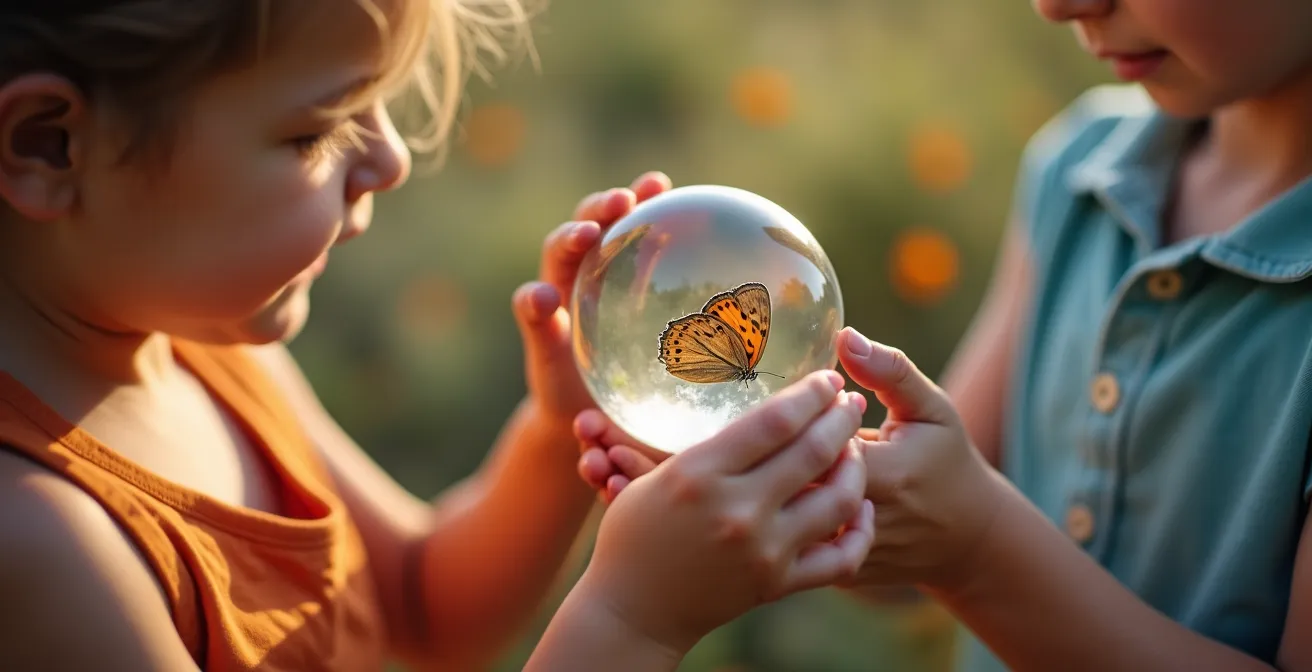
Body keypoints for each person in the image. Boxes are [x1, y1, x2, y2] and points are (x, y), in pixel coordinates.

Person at [0, 2, 876, 671]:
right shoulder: (39, 548)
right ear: (48, 146)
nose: (390, 160)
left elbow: (426, 608)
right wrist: (632, 625)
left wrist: (555, 427)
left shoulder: (210, 351)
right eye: (313, 130)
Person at [578, 0, 1312, 669]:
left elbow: (960, 531)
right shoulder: (1078, 170)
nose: (1057, 6)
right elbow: (906, 561)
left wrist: (979, 552)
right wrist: (830, 497)